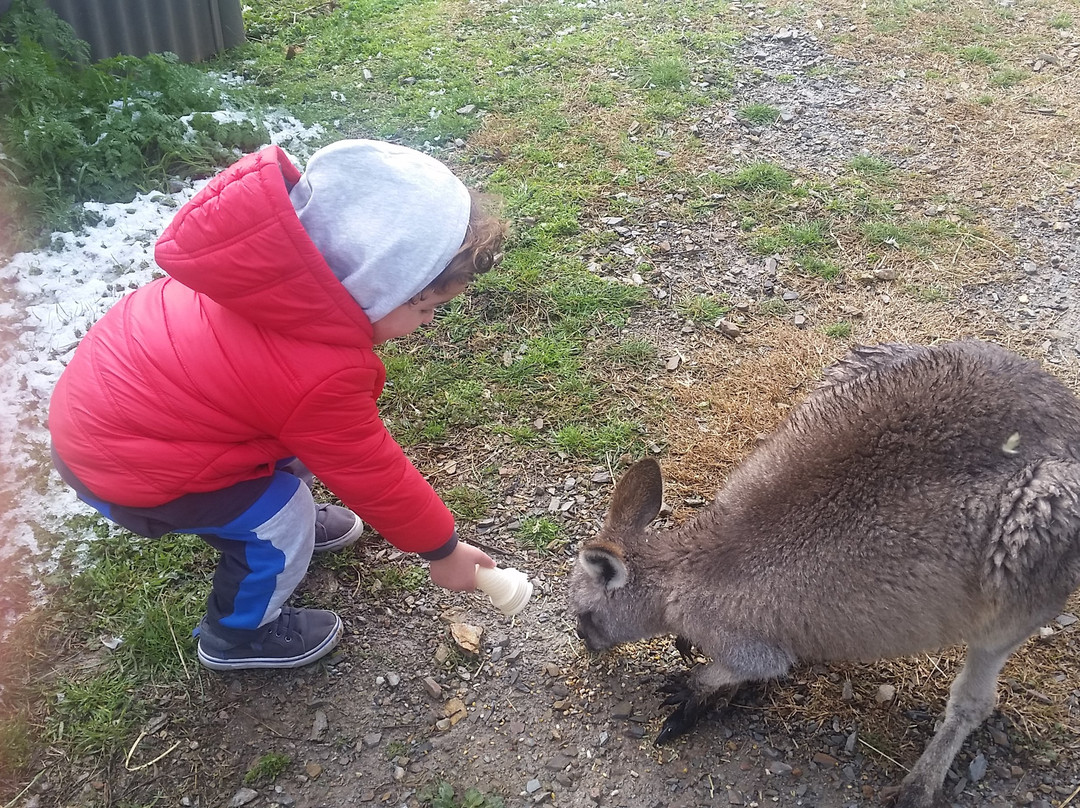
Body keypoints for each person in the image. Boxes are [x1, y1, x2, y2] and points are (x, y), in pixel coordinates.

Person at [48, 139, 506, 671]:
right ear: (370, 288)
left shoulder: (257, 279)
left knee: (299, 455)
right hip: (134, 472)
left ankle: (281, 525)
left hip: (115, 429)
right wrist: (443, 551)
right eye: (424, 306)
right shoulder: (315, 371)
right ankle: (239, 635)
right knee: (280, 520)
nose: (428, 321)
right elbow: (372, 472)